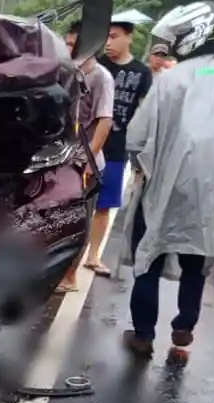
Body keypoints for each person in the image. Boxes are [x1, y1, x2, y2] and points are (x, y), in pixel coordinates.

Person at [117, 2, 214, 358]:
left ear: (190, 36)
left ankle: (143, 335)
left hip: (166, 189)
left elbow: (137, 138)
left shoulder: (171, 80)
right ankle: (183, 328)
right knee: (196, 266)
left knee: (150, 259)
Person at [91, 19, 154, 278]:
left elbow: (144, 112)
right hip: (88, 142)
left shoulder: (141, 72)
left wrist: (143, 154)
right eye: (105, 37)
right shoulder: (95, 65)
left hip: (117, 147)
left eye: (114, 36)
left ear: (129, 37)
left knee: (104, 204)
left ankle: (93, 255)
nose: (108, 42)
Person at [57, 21, 116, 294]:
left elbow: (104, 122)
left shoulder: (101, 77)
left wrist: (88, 160)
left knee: (79, 221)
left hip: (85, 163)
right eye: (67, 44)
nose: (68, 49)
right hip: (62, 158)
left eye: (73, 45)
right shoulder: (65, 72)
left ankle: (70, 276)